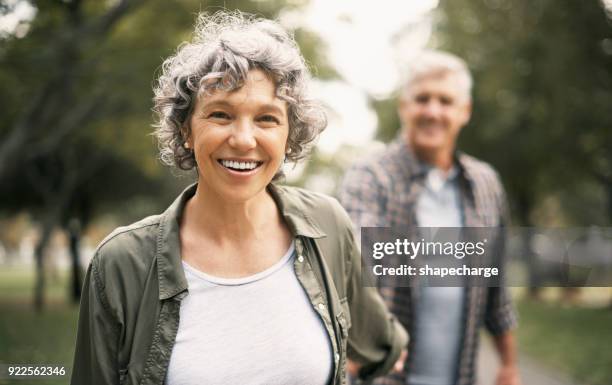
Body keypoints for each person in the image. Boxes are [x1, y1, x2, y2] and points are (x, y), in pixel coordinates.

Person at [71, 11, 407, 385]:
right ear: (185, 130)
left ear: (288, 135)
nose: (244, 139)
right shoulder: (121, 264)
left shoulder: (327, 225)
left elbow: (383, 346)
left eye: (267, 119)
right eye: (220, 114)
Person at [339, 50, 520, 385]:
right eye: (422, 98)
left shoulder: (485, 184)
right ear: (404, 107)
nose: (433, 111)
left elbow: (497, 289)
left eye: (445, 101)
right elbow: (359, 263)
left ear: (464, 111)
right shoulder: (370, 176)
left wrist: (508, 365)